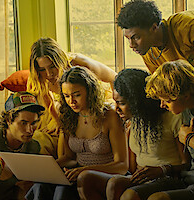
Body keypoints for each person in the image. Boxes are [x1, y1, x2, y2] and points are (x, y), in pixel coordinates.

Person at [77, 68, 189, 200]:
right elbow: (131, 167)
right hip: (140, 177)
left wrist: (162, 169)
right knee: (88, 179)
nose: (116, 108)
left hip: (168, 177)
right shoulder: (134, 121)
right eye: (115, 102)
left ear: (138, 101)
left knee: (129, 195)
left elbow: (186, 164)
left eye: (122, 103)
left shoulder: (172, 117)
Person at [25, 66, 128, 200]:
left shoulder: (110, 117)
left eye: (77, 95)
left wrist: (84, 170)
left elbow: (122, 166)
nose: (71, 102)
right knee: (40, 184)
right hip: (77, 173)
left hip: (105, 177)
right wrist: (48, 168)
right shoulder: (68, 116)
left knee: (63, 190)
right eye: (66, 96)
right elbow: (69, 157)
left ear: (90, 91)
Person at [27, 37, 117, 158]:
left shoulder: (82, 64)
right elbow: (48, 100)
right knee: (60, 135)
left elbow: (115, 77)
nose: (49, 74)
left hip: (98, 102)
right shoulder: (40, 77)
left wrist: (117, 108)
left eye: (53, 66)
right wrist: (59, 122)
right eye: (43, 69)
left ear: (61, 60)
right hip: (73, 105)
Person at [145, 59, 194, 200]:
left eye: (167, 101)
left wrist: (189, 139)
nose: (162, 105)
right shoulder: (186, 110)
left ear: (185, 95)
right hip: (189, 179)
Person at [117, 0, 194, 74]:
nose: (131, 45)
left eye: (136, 37)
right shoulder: (147, 52)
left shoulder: (187, 27)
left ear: (154, 28)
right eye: (128, 38)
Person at [0, 91, 45, 200]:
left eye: (33, 123)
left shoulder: (33, 147)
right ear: (9, 120)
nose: (30, 130)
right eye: (23, 123)